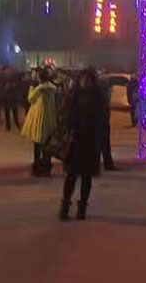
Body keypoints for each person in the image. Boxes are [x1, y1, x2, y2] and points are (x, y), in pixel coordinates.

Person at [59, 69, 105, 221]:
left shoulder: (97, 98)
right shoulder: (73, 96)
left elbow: (101, 120)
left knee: (86, 177)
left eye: (88, 79)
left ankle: (82, 207)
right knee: (71, 176)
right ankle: (65, 206)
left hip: (89, 142)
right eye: (83, 79)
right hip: (75, 141)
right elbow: (65, 115)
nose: (85, 82)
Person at [21, 69, 57, 177]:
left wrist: (32, 87)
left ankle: (37, 166)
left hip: (38, 118)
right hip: (50, 118)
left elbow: (30, 99)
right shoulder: (52, 88)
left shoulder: (39, 89)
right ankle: (46, 166)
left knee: (37, 144)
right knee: (47, 145)